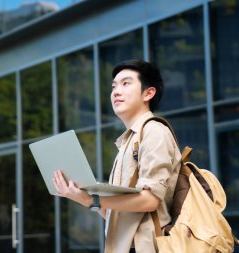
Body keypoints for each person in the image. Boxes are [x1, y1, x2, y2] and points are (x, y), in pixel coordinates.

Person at [52, 59, 182, 253]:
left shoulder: (154, 131)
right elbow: (116, 213)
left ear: (149, 93)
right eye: (114, 86)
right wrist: (81, 197)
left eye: (126, 84)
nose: (116, 91)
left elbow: (150, 200)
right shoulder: (127, 142)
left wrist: (92, 199)